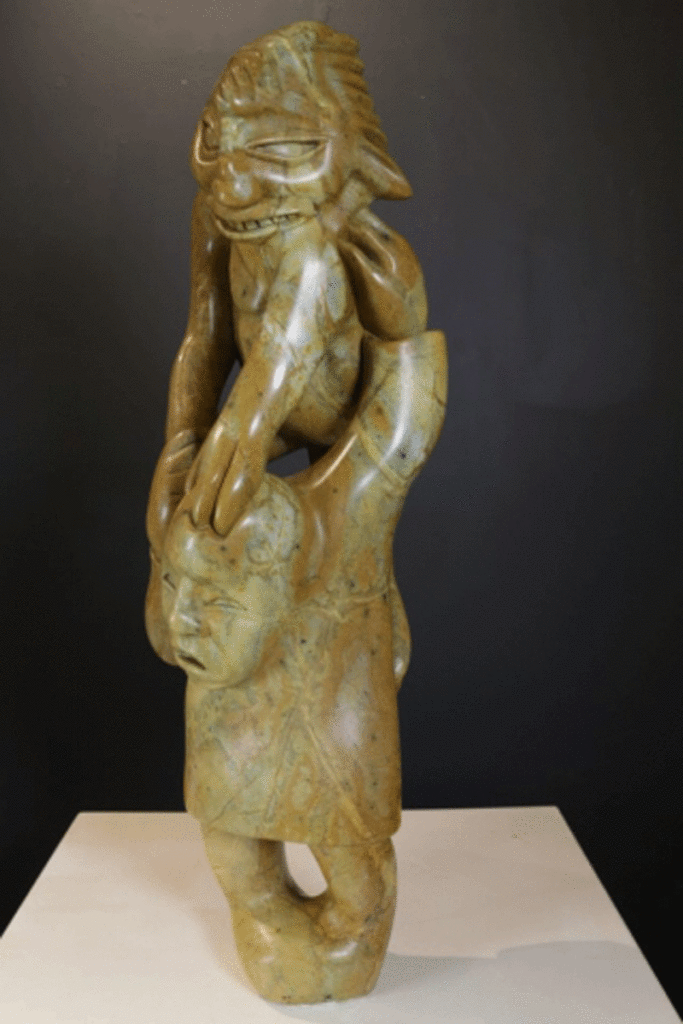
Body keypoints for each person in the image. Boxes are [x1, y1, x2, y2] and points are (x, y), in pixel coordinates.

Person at [157, 327, 447, 1003]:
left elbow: (405, 421)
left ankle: (341, 947)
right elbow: (204, 342)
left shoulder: (332, 532)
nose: (183, 619)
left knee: (357, 877)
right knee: (236, 853)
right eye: (176, 587)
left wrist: (396, 315)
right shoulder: (198, 504)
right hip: (234, 720)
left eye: (215, 600)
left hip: (331, 710)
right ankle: (285, 934)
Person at [145, 22, 430, 660]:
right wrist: (182, 446)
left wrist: (244, 429)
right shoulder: (214, 215)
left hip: (345, 419)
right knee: (209, 518)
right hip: (264, 421)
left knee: (350, 549)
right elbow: (205, 337)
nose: (231, 183)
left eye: (282, 150)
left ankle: (365, 616)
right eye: (214, 141)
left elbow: (285, 348)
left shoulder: (322, 248)